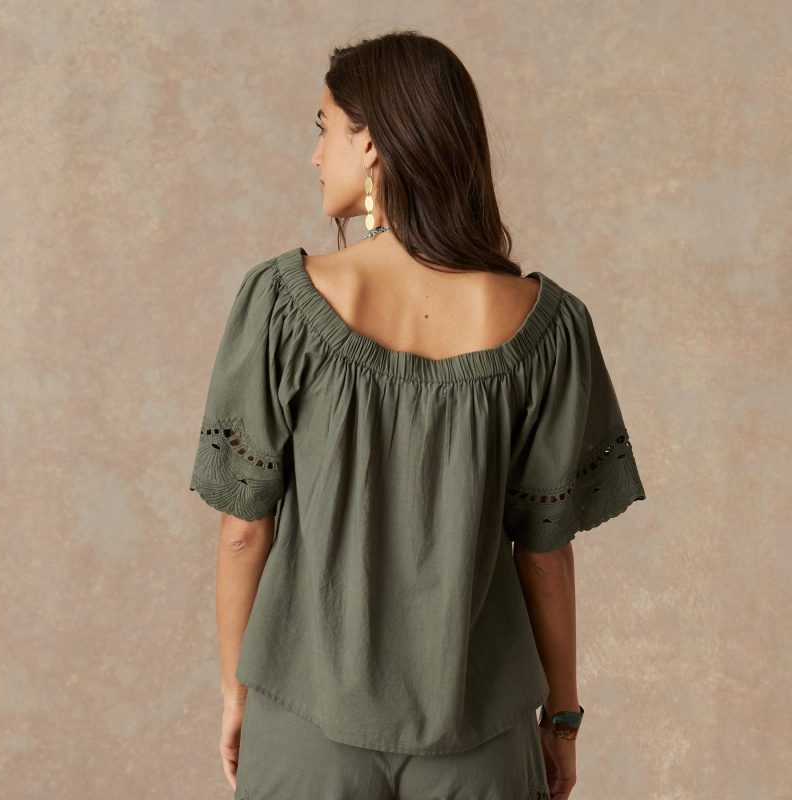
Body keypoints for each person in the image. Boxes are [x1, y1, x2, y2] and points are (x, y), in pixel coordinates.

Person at [189, 30, 646, 800]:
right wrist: (562, 718)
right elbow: (544, 552)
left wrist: (237, 692)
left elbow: (243, 531)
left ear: (371, 144)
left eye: (325, 128)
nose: (316, 154)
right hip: (481, 730)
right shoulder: (547, 327)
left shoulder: (282, 305)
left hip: (305, 720)